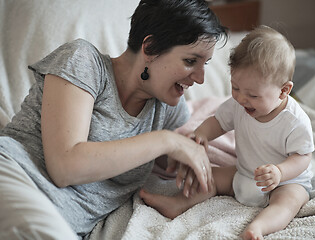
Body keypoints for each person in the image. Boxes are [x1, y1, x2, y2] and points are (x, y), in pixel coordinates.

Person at [0, 0, 228, 239]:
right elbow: (65, 167)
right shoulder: (84, 61)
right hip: (16, 177)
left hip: (65, 225)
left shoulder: (169, 109)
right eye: (191, 61)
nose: (201, 78)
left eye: (205, 64)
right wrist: (167, 141)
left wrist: (187, 162)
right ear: (150, 48)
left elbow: (154, 157)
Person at [140, 25, 315, 240]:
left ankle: (258, 228)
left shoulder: (294, 121)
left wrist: (279, 172)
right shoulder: (238, 105)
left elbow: (303, 157)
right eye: (235, 87)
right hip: (243, 172)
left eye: (252, 94)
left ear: (283, 90)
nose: (241, 99)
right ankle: (177, 204)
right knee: (206, 177)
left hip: (285, 182)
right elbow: (218, 122)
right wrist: (200, 135)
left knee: (288, 203)